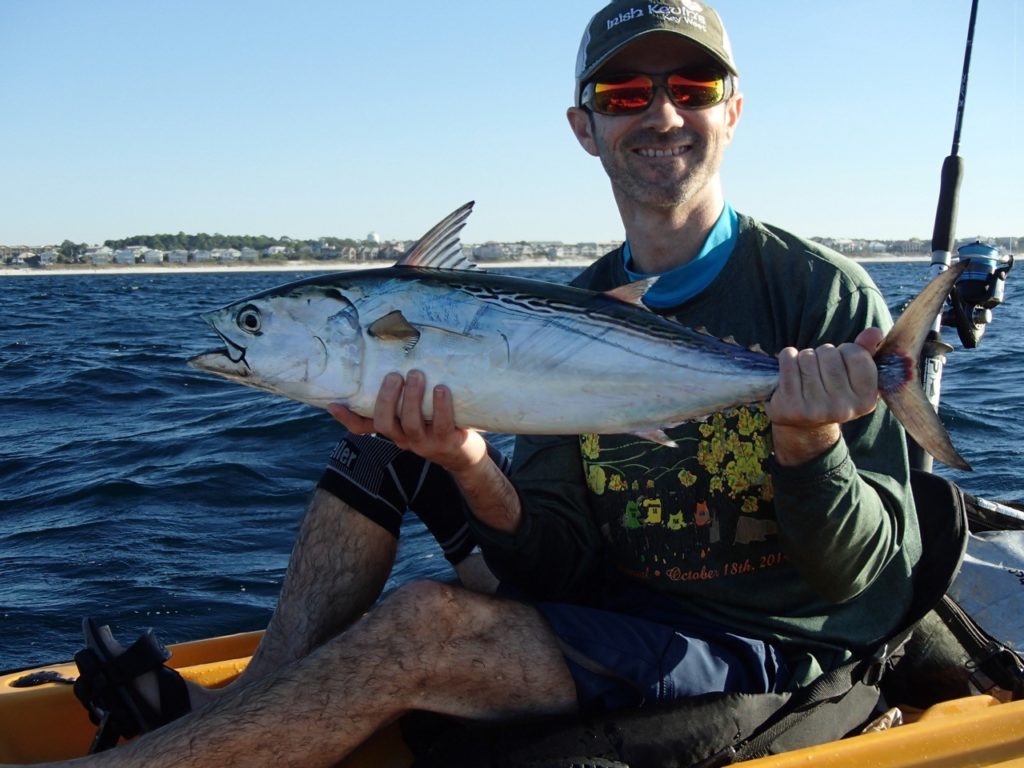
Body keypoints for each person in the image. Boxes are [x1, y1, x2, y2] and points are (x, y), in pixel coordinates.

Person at [48, 1, 921, 765]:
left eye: (690, 88)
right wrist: (468, 460)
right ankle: (244, 712)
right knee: (377, 453)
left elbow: (864, 581)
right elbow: (557, 559)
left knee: (422, 622)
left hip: (757, 646)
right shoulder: (578, 306)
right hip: (613, 611)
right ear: (586, 128)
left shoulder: (819, 294)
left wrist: (809, 445)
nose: (661, 112)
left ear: (732, 112)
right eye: (625, 95)